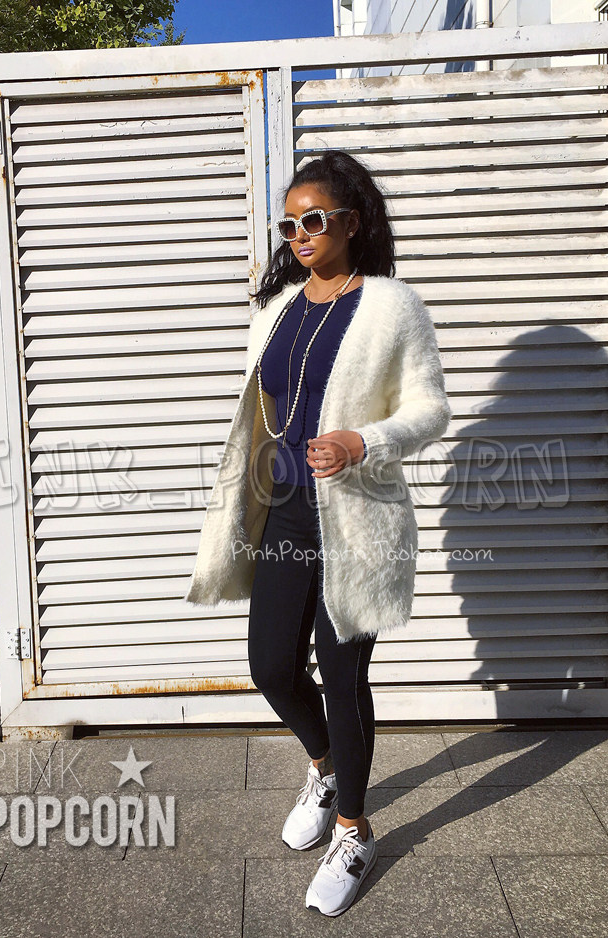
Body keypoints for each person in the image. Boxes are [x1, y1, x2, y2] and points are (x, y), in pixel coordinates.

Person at [184, 149, 451, 916]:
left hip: (357, 517)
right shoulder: (276, 310)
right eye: (289, 225)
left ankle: (354, 831)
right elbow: (265, 407)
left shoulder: (392, 306)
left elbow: (430, 409)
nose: (299, 235)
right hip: (286, 511)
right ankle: (326, 767)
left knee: (342, 675)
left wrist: (363, 440)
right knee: (270, 665)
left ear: (351, 222)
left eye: (314, 220)